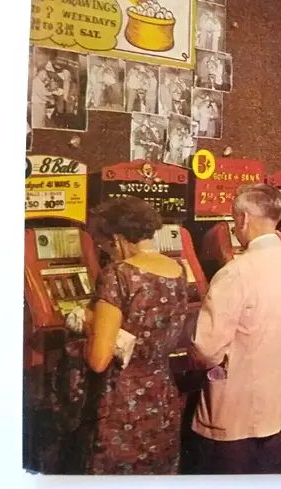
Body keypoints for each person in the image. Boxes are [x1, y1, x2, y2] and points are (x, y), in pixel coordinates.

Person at [190, 184, 281, 474]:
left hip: (240, 408)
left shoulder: (235, 272)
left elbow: (206, 348)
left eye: (235, 219)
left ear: (244, 219)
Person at [78, 196, 189, 474]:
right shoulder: (177, 270)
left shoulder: (118, 275)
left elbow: (99, 360)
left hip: (123, 402)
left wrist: (86, 324)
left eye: (104, 245)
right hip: (162, 395)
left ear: (117, 239)